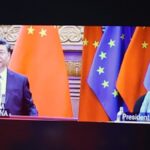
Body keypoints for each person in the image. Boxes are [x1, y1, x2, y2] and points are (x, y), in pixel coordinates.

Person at [0, 38, 38, 116]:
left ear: (9, 56)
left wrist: (34, 125)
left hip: (13, 126)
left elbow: (30, 108)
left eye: (1, 52)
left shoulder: (20, 81)